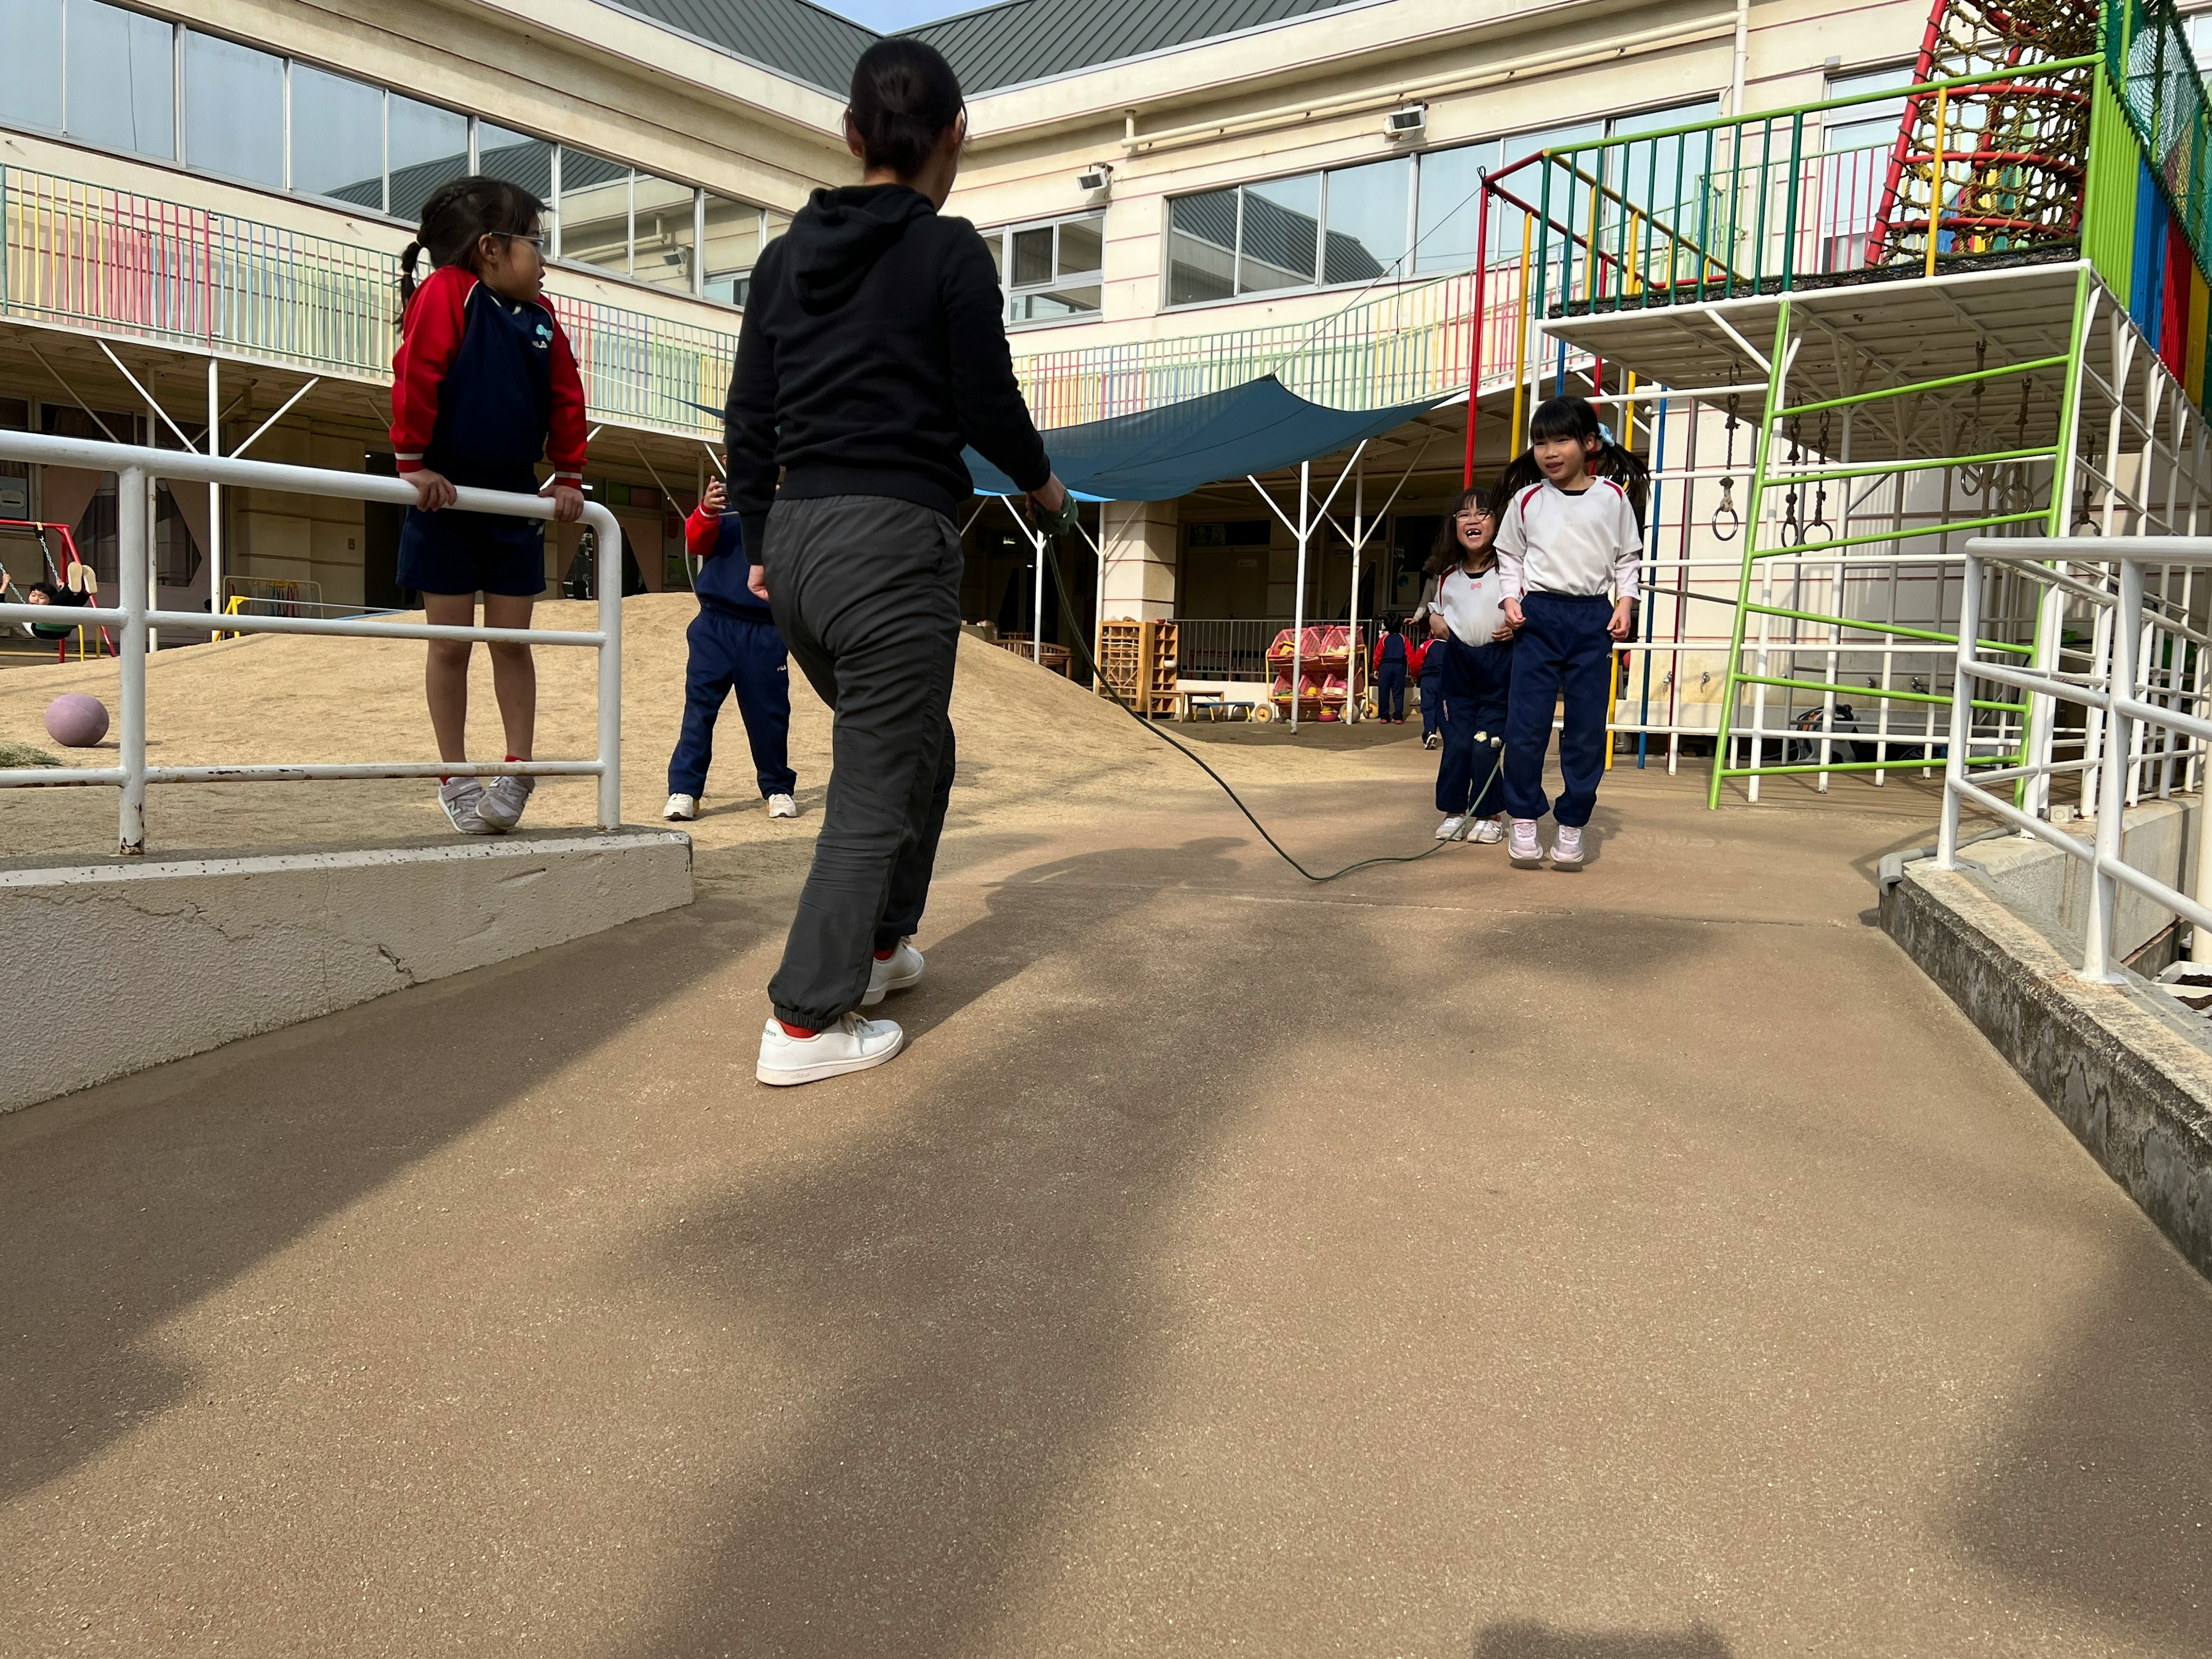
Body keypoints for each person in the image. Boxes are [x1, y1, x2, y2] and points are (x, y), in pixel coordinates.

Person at [725, 38, 1069, 1086]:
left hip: (798, 537)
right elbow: (985, 400)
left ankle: (878, 949)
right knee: (877, 783)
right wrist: (1044, 485)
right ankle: (805, 1021)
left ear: (851, 135)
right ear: (956, 136)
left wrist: (756, 542)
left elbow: (751, 415)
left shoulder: (785, 258)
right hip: (892, 543)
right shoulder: (951, 251)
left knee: (922, 747)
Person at [389, 175, 586, 837]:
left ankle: (518, 766)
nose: (543, 260)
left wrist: (569, 475)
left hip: (512, 498)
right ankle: (455, 774)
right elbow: (418, 370)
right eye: (536, 243)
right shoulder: (450, 292)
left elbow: (567, 398)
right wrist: (414, 462)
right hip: (446, 495)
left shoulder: (541, 318)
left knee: (511, 640)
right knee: (449, 646)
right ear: (491, 248)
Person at [1493, 396, 1646, 870]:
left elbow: (1626, 560)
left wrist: (1625, 602)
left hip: (1590, 620)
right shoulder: (1527, 500)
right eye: (1540, 442)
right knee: (1525, 727)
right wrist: (1511, 599)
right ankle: (1522, 818)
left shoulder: (1613, 498)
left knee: (1585, 731)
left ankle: (1572, 825)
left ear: (1589, 443)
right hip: (1537, 618)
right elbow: (1510, 558)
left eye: (1561, 440)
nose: (1550, 452)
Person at [664, 477, 800, 824]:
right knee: (699, 711)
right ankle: (685, 790)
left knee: (769, 716)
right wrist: (707, 509)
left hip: (766, 629)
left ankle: (777, 788)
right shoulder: (723, 504)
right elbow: (696, 542)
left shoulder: (792, 506)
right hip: (714, 623)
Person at [1424, 490, 1516, 842]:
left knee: (1486, 742)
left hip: (1499, 663)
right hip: (1459, 666)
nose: (1473, 521)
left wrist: (1518, 625)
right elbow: (1437, 607)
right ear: (1455, 526)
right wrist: (1434, 618)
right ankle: (1454, 811)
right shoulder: (1447, 576)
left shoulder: (1511, 570)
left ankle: (1489, 814)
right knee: (1459, 742)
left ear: (1498, 523)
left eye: (1483, 513)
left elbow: (1530, 606)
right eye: (1464, 515)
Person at [1414, 615, 1447, 749]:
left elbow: (1416, 663)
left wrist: (1415, 676)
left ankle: (1429, 732)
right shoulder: (1452, 647)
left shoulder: (1427, 645)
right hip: (1446, 680)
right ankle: (1447, 735)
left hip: (1429, 679)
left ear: (1433, 631)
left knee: (1428, 707)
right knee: (1444, 709)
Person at [1372, 614, 1410, 723]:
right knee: (1398, 693)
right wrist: (1413, 671)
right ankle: (1398, 717)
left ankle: (1384, 716)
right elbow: (1411, 655)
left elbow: (1377, 655)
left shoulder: (1384, 639)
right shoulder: (1404, 639)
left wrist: (1376, 668)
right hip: (1399, 667)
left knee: (1384, 692)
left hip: (1385, 667)